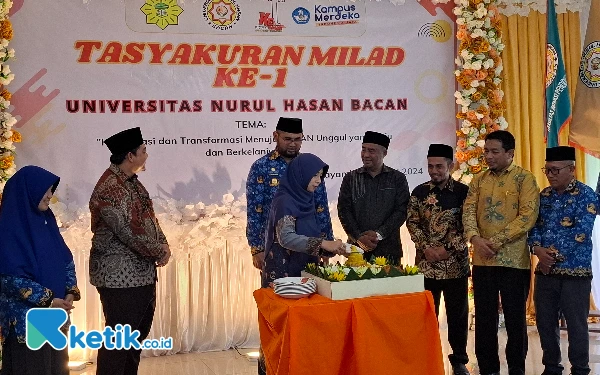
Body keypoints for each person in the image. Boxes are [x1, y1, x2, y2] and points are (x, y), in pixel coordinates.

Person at [89, 127, 171, 375]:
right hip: (119, 277)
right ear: (130, 156)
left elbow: (149, 219)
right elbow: (128, 231)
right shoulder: (111, 188)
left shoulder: (131, 182)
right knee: (119, 342)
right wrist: (159, 250)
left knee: (133, 340)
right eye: (143, 150)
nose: (147, 155)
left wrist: (163, 243)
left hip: (140, 274)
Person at [462, 130, 540, 375]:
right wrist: (475, 239)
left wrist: (494, 241)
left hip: (513, 262)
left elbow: (527, 217)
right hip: (483, 262)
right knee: (485, 320)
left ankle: (516, 369)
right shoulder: (479, 180)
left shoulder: (524, 179)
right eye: (486, 151)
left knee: (516, 320)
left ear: (510, 153)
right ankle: (488, 369)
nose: (488, 156)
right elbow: (468, 212)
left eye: (494, 151)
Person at [0, 166, 80, 375]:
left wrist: (70, 291)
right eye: (45, 190)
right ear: (28, 190)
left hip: (55, 317)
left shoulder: (47, 220)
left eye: (50, 190)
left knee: (56, 367)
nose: (50, 196)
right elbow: (10, 278)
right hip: (27, 321)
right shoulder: (9, 227)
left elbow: (66, 259)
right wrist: (49, 300)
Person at [529, 146, 599, 375]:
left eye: (555, 170)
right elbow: (535, 227)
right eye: (547, 170)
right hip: (546, 272)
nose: (550, 175)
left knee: (576, 324)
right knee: (545, 322)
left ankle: (580, 368)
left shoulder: (586, 195)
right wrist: (538, 250)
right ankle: (551, 366)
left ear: (571, 169)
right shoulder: (544, 196)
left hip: (574, 272)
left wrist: (551, 257)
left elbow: (581, 233)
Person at [406, 144, 470, 375]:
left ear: (450, 166)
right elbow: (412, 223)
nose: (434, 171)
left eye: (439, 166)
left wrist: (448, 250)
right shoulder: (420, 192)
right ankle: (424, 356)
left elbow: (469, 226)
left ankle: (459, 360)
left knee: (457, 316)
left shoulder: (464, 192)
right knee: (425, 315)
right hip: (426, 266)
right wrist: (426, 248)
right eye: (430, 166)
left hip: (455, 267)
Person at [247, 117, 334, 272]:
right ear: (275, 136)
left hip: (310, 243)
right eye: (287, 139)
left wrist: (327, 244)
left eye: (297, 139)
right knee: (278, 292)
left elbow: (321, 207)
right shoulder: (261, 167)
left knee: (311, 291)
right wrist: (257, 248)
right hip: (275, 244)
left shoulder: (310, 165)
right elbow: (255, 210)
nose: (293, 144)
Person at [262, 153, 346, 288]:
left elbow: (309, 234)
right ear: (300, 174)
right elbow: (286, 238)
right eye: (314, 175)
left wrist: (333, 248)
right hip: (284, 273)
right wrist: (323, 243)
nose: (319, 180)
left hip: (305, 270)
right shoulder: (284, 201)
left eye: (320, 175)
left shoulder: (306, 199)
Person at [337, 131, 409, 265]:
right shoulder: (351, 178)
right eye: (363, 150)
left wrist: (379, 234)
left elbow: (402, 210)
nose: (365, 155)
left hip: (388, 251)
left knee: (390, 286)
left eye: (371, 151)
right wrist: (359, 237)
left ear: (384, 153)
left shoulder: (397, 178)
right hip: (357, 250)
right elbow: (344, 210)